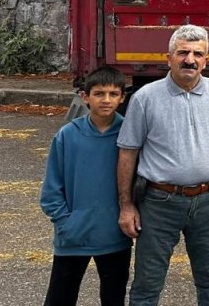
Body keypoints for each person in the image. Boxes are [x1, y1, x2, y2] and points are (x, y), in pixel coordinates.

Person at [116, 25, 209, 306]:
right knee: (147, 282)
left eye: (197, 54)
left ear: (206, 60)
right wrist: (126, 206)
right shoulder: (145, 98)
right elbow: (128, 152)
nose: (190, 59)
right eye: (183, 52)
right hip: (159, 202)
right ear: (168, 58)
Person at [40, 66, 132, 306]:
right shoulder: (67, 135)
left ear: (122, 97)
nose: (106, 100)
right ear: (85, 97)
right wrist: (65, 223)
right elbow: (51, 189)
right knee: (60, 298)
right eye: (99, 93)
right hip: (73, 237)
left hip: (114, 236)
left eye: (113, 94)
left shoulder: (129, 135)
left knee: (113, 298)